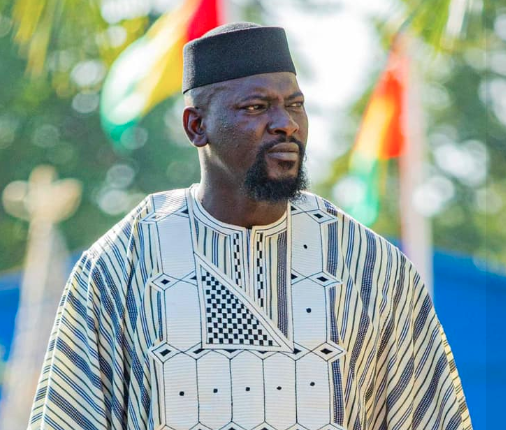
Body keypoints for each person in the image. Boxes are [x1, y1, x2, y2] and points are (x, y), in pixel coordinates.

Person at [28, 22, 472, 430]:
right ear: (196, 126)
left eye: (295, 105)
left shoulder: (372, 268)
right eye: (257, 107)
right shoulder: (122, 264)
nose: (286, 125)